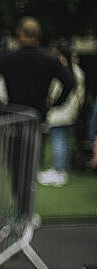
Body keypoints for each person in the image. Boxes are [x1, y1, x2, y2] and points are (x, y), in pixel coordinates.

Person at [0, 16, 74, 218]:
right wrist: (54, 103)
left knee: (15, 165)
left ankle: (21, 207)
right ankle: (26, 209)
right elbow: (69, 82)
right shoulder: (49, 59)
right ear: (38, 35)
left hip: (13, 117)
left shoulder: (8, 57)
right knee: (30, 165)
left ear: (20, 34)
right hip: (35, 118)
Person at [37, 40, 85, 187]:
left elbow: (55, 91)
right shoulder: (78, 70)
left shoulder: (63, 70)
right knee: (63, 140)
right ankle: (61, 170)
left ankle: (59, 171)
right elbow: (81, 93)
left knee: (59, 140)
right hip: (71, 111)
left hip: (61, 111)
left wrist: (51, 102)